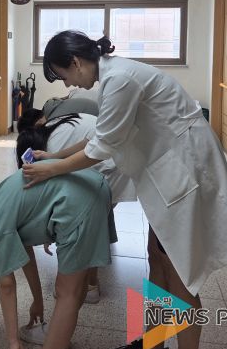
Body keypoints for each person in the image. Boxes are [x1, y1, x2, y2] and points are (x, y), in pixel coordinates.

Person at [22, 30, 227, 349]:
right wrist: (52, 157)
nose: (68, 84)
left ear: (75, 62)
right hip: (168, 171)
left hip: (184, 170)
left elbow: (101, 148)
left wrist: (51, 170)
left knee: (179, 271)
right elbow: (101, 135)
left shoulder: (120, 79)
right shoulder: (113, 76)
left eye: (64, 74)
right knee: (156, 258)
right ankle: (154, 348)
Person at [0, 162, 117, 349]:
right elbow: (27, 256)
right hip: (95, 186)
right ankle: (58, 335)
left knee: (66, 292)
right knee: (78, 283)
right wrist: (37, 301)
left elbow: (7, 285)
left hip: (78, 202)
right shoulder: (4, 205)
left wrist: (13, 341)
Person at [16, 113, 137, 306]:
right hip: (114, 154)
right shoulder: (54, 130)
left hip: (112, 164)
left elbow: (62, 188)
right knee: (93, 223)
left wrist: (48, 229)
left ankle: (87, 286)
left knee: (88, 225)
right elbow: (87, 143)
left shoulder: (53, 146)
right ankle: (86, 284)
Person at [17, 96, 98, 133]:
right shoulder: (50, 106)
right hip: (97, 111)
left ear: (38, 124)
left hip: (99, 122)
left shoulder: (54, 120)